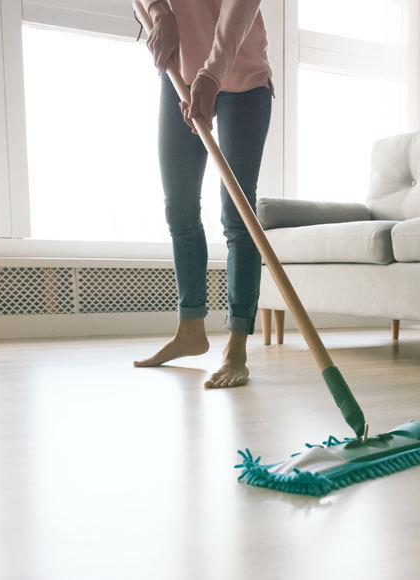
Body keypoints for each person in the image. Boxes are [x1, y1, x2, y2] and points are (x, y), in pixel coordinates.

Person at [132, 0, 273, 389]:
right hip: (181, 73)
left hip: (243, 79)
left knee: (238, 213)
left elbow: (240, 8)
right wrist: (160, 12)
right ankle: (190, 329)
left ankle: (237, 346)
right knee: (179, 207)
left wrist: (211, 74)